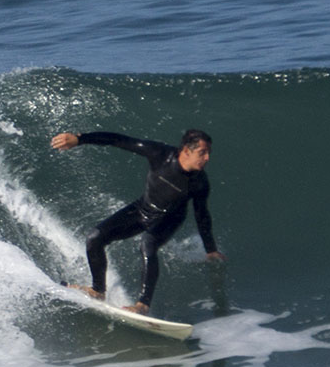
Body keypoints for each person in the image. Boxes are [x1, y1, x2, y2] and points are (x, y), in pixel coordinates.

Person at [51, 129, 226, 315]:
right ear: (186, 151)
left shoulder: (200, 183)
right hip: (143, 209)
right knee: (95, 237)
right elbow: (117, 139)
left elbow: (202, 215)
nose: (207, 158)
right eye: (202, 153)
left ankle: (143, 305)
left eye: (208, 153)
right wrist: (80, 139)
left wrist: (211, 250)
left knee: (147, 243)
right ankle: (97, 290)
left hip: (170, 218)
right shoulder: (159, 154)